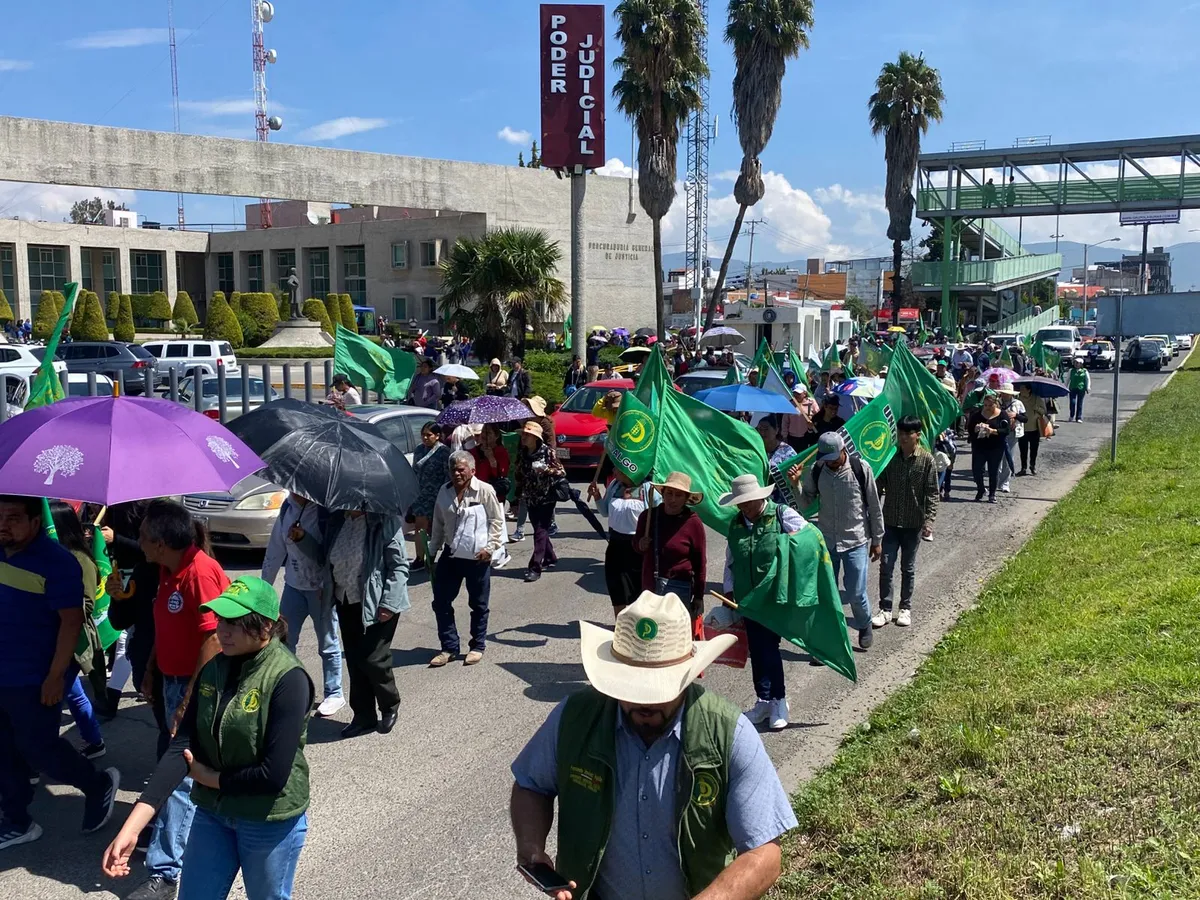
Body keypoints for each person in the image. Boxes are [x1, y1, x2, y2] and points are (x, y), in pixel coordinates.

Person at [509, 591, 796, 900]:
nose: (645, 701)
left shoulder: (728, 731)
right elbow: (531, 785)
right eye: (632, 687)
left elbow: (765, 853)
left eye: (659, 689)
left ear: (686, 677)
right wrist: (530, 845)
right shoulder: (574, 718)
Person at [102, 577, 314, 900]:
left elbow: (272, 776)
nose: (222, 630)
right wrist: (132, 827)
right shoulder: (214, 667)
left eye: (234, 622)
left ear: (266, 627)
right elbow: (181, 745)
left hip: (267, 818)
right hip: (213, 814)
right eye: (220, 619)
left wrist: (208, 778)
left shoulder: (289, 679)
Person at [0, 495, 120, 851]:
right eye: (0, 517)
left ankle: (96, 784)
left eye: (14, 518)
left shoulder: (58, 563)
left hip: (35, 676)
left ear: (36, 522)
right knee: (4, 748)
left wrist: (55, 677)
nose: (4, 524)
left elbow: (70, 624)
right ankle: (18, 819)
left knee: (39, 748)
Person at [135, 499, 230, 900]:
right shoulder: (166, 569)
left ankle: (165, 873)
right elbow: (166, 623)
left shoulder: (201, 574)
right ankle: (196, 841)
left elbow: (213, 640)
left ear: (159, 542)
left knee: (178, 775)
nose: (137, 542)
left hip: (200, 686)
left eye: (142, 537)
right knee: (185, 772)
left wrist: (186, 700)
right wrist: (152, 668)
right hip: (172, 682)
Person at [720, 474, 808, 730]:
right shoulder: (736, 524)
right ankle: (763, 700)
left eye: (748, 501)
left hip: (773, 597)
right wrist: (728, 591)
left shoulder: (781, 514)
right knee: (756, 650)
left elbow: (807, 537)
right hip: (747, 599)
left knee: (768, 649)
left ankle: (779, 700)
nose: (745, 507)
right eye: (740, 503)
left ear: (761, 497)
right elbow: (730, 559)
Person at [324, 508, 409, 739]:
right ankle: (363, 717)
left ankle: (389, 705)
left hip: (378, 602)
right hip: (346, 600)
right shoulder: (337, 521)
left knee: (374, 658)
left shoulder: (384, 521)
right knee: (354, 660)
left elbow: (399, 565)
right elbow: (325, 557)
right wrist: (301, 540)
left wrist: (389, 603)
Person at [797, 433, 884, 649]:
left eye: (834, 458)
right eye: (827, 458)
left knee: (855, 592)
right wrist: (795, 483)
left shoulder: (860, 469)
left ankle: (864, 624)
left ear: (844, 450)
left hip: (856, 540)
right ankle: (830, 640)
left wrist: (877, 539)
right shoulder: (817, 470)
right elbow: (806, 503)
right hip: (827, 541)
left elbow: (874, 505)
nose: (831, 462)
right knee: (827, 594)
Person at [261, 494, 344, 718]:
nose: (294, 490)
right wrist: (263, 589)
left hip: (320, 589)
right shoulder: (287, 507)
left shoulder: (325, 512)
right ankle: (287, 689)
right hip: (294, 586)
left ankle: (334, 692)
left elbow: (329, 552)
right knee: (284, 642)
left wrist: (303, 538)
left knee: (327, 642)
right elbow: (275, 549)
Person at [428, 451, 505, 667]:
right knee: (441, 602)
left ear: (472, 470)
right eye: (453, 469)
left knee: (478, 604)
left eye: (461, 469)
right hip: (451, 554)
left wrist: (490, 549)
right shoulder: (444, 492)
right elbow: (438, 524)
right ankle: (449, 647)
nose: (456, 473)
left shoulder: (485, 491)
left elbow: (497, 521)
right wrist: (432, 553)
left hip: (477, 557)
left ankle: (477, 645)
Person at [47, 501, 107, 759]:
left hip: (73, 640)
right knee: (72, 693)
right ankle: (94, 741)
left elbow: (86, 605)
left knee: (60, 694)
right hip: (53, 638)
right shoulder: (54, 557)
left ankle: (42, 755)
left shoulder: (80, 561)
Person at [873, 417, 938, 629]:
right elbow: (879, 485)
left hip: (913, 524)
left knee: (907, 568)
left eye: (907, 434)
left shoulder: (927, 460)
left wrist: (929, 520)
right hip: (890, 522)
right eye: (900, 433)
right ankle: (885, 608)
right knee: (886, 566)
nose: (902, 438)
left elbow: (932, 493)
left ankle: (905, 608)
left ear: (917, 435)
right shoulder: (890, 458)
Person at [634, 472, 707, 620]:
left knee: (674, 636)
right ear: (663, 493)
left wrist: (699, 596)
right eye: (669, 493)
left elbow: (700, 563)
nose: (672, 499)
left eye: (679, 495)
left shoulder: (693, 523)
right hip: (650, 588)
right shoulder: (648, 517)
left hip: (679, 589)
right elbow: (636, 545)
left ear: (686, 498)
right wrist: (640, 544)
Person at [596, 472, 655, 617]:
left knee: (639, 590)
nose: (615, 470)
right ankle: (620, 627)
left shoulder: (649, 488)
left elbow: (658, 516)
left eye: (618, 467)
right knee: (616, 588)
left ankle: (639, 626)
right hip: (615, 545)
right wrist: (597, 497)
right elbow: (604, 511)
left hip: (639, 547)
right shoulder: (614, 485)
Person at [514, 421, 564, 583]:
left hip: (546, 497)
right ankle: (550, 556)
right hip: (530, 496)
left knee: (541, 530)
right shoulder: (522, 452)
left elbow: (561, 471)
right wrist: (516, 496)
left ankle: (535, 566)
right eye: (523, 434)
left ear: (536, 437)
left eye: (527, 435)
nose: (524, 437)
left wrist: (547, 470)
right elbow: (519, 473)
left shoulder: (548, 452)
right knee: (538, 528)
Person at [411, 422, 450, 570]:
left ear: (437, 436)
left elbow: (448, 475)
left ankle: (436, 555)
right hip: (421, 495)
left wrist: (445, 495)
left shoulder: (443, 452)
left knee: (438, 528)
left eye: (429, 435)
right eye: (423, 435)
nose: (425, 438)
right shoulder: (419, 450)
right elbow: (414, 470)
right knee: (420, 527)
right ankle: (420, 558)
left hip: (437, 495)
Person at [966, 393, 1010, 503]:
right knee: (976, 470)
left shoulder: (1002, 415)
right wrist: (976, 429)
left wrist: (993, 431)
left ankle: (992, 494)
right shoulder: (977, 415)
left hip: (995, 447)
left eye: (990, 405)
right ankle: (981, 489)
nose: (987, 408)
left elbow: (1006, 431)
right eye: (985, 405)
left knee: (993, 471)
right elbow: (970, 430)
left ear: (996, 404)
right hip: (979, 447)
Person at [757, 415, 796, 500]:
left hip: (784, 499)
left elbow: (796, 473)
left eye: (766, 429)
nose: (762, 433)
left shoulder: (787, 451)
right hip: (761, 499)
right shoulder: (756, 450)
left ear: (776, 430)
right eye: (759, 429)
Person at [996, 386, 1026, 494]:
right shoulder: (996, 402)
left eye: (1007, 393)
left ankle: (1005, 483)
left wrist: (1016, 415)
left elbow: (1025, 419)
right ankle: (996, 481)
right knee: (997, 458)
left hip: (1012, 434)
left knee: (1008, 458)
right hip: (998, 433)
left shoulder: (1018, 403)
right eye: (1003, 392)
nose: (1004, 395)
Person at [1017, 383, 1047, 476]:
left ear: (1028, 390)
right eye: (1020, 389)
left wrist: (1036, 408)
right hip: (1022, 428)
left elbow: (1044, 411)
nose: (1021, 390)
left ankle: (1032, 466)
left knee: (1034, 449)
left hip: (1034, 428)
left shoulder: (1036, 398)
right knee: (1023, 450)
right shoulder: (1018, 399)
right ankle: (1023, 468)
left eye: (1023, 389)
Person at [781, 384, 819, 452]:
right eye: (794, 393)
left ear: (805, 393)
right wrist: (784, 436)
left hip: (807, 437)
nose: (796, 395)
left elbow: (818, 416)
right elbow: (785, 421)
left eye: (798, 393)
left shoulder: (811, 402)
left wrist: (812, 418)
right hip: (792, 438)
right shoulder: (790, 404)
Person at [1068, 358, 1091, 422]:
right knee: (1072, 402)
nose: (1076, 364)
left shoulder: (1084, 371)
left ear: (1081, 364)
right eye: (1075, 362)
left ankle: (1078, 417)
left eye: (1078, 363)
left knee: (1079, 403)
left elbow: (1087, 379)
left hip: (1081, 388)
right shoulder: (1071, 370)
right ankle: (1071, 416)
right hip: (1072, 388)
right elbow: (1068, 379)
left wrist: (1088, 387)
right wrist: (1065, 387)